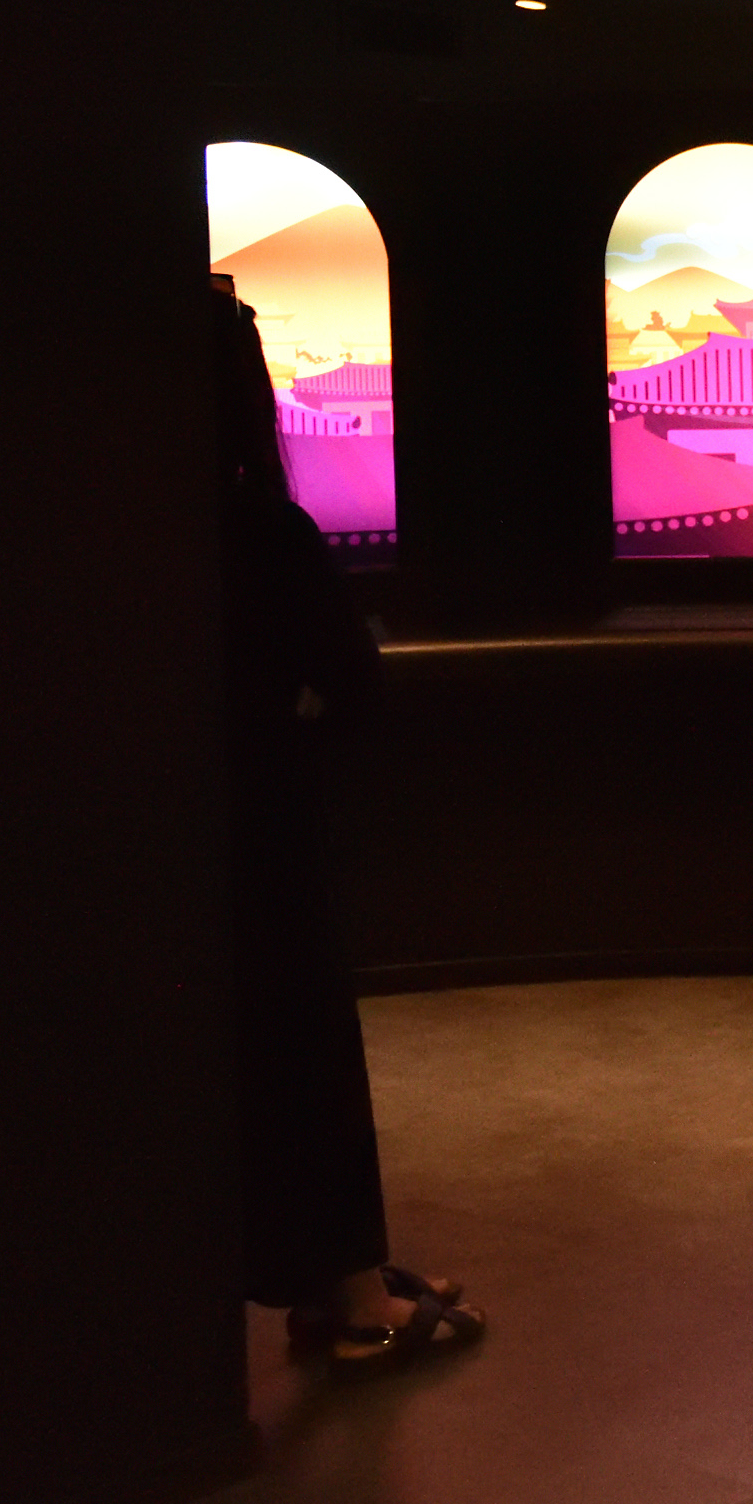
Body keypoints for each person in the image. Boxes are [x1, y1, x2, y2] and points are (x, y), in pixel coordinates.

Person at [210, 275, 484, 1370]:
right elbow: (356, 687)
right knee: (302, 1052)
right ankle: (349, 1297)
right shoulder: (261, 532)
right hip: (265, 843)